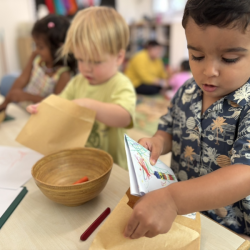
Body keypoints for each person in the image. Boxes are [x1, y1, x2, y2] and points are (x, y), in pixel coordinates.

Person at [124, 0, 250, 240]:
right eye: (197, 55)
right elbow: (169, 129)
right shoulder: (186, 91)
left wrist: (173, 199)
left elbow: (245, 173)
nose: (209, 70)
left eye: (229, 58)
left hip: (232, 228)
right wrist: (157, 142)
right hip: (181, 217)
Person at [27, 6, 136, 170]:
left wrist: (88, 104)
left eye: (96, 61)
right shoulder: (78, 82)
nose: (86, 68)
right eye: (81, 59)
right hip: (83, 162)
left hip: (113, 168)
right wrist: (44, 108)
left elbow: (124, 117)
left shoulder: (120, 84)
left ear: (119, 57)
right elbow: (59, 104)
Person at [0, 14, 77, 112]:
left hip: (41, 114)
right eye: (35, 45)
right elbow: (22, 80)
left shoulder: (63, 74)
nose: (36, 50)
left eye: (40, 47)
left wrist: (27, 96)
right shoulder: (36, 58)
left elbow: (57, 104)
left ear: (57, 49)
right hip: (24, 109)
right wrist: (5, 103)